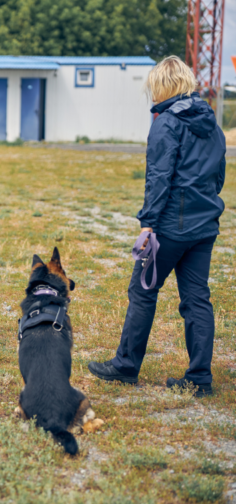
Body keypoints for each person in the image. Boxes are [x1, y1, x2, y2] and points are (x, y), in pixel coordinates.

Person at [88, 56, 226, 397]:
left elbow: (159, 178)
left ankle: (125, 366)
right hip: (204, 226)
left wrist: (148, 224)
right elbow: (218, 174)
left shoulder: (166, 123)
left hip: (170, 227)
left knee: (142, 292)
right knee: (197, 299)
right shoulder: (211, 122)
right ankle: (200, 378)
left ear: (163, 86)